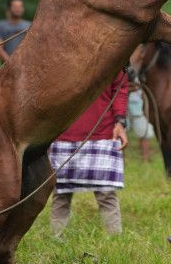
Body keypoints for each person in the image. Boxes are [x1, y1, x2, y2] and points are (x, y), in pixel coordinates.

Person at [48, 71, 129, 236]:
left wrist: (120, 121)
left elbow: (120, 87)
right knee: (61, 192)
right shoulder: (61, 51)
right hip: (64, 131)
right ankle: (54, 239)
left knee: (106, 192)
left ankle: (115, 241)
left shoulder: (112, 50)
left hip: (103, 130)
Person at [0, 0, 30, 64]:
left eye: (20, 6)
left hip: (25, 65)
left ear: (23, 9)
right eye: (15, 7)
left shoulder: (29, 26)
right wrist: (10, 63)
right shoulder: (1, 26)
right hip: (7, 66)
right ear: (9, 9)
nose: (18, 9)